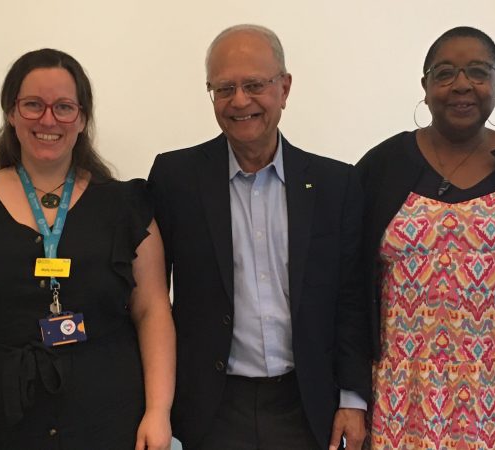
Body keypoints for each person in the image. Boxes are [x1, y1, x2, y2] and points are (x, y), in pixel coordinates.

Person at [0, 48, 175, 450]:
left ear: (83, 118)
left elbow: (152, 308)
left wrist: (159, 410)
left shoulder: (127, 207)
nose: (48, 119)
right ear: (10, 112)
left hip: (108, 418)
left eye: (64, 107)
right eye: (33, 104)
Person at [148, 24, 370, 450]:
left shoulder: (335, 184)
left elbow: (351, 299)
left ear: (284, 89)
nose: (240, 100)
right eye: (224, 88)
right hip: (209, 407)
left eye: (255, 84)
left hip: (307, 405)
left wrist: (352, 398)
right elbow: (151, 298)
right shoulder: (175, 179)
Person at [355, 26, 495, 450]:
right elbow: (349, 286)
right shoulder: (380, 168)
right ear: (425, 86)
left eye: (477, 72)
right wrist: (349, 393)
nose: (461, 85)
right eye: (445, 73)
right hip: (398, 397)